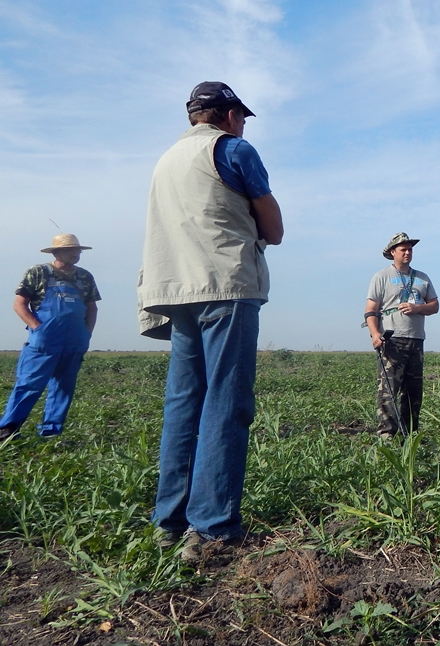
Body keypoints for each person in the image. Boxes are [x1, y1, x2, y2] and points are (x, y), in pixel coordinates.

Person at [138, 81, 284, 560]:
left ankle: (170, 522)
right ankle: (214, 528)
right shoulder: (234, 150)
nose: (241, 124)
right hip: (224, 287)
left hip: (175, 290)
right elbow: (274, 229)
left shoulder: (164, 160)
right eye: (240, 115)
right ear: (225, 115)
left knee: (184, 404)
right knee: (226, 402)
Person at [0, 234, 99, 440]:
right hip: (44, 339)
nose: (76, 253)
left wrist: (86, 335)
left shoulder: (85, 277)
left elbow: (92, 309)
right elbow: (19, 304)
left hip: (74, 341)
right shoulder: (38, 272)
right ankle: (8, 429)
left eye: (78, 250)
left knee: (64, 387)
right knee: (29, 383)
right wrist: (37, 328)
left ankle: (50, 433)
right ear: (56, 252)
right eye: (71, 249)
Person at [364, 233, 439, 437]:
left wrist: (417, 309)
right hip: (392, 341)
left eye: (410, 249)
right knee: (388, 391)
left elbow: (435, 306)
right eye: (403, 249)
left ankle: (410, 435)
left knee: (413, 391)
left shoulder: (422, 278)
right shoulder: (381, 277)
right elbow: (370, 310)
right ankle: (387, 435)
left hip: (416, 339)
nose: (408, 252)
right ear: (392, 252)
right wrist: (375, 334)